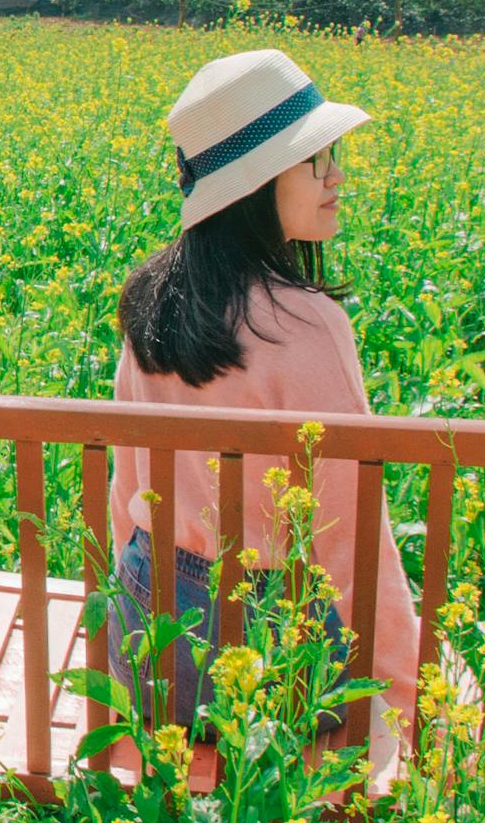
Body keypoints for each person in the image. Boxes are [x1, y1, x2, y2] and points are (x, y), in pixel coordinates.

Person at [109, 47, 418, 774]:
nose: (336, 176)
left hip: (155, 645)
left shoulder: (151, 299)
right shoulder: (305, 325)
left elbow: (131, 492)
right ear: (256, 185)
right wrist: (404, 699)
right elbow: (353, 536)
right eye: (314, 160)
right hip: (263, 656)